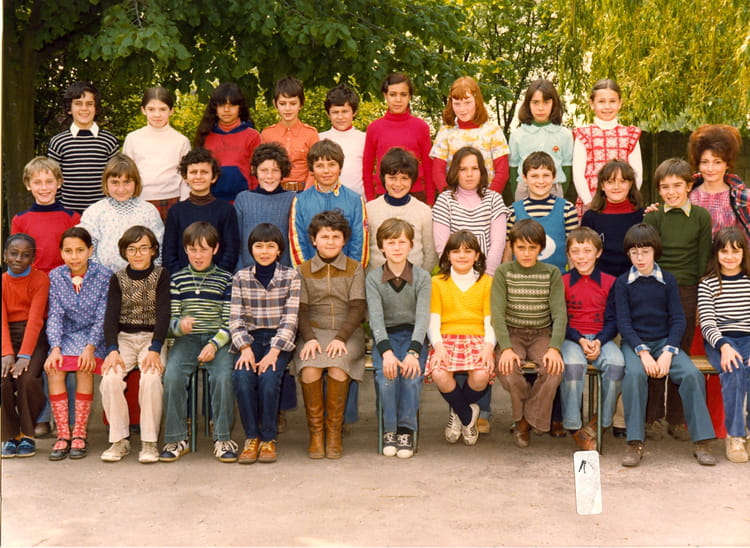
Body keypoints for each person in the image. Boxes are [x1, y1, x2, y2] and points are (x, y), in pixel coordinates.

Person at [615, 223, 716, 467]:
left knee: (691, 375)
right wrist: (643, 353)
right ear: (628, 254)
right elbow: (624, 323)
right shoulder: (622, 283)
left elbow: (678, 319)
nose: (640, 258)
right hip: (635, 344)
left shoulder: (668, 281)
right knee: (634, 376)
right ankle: (634, 442)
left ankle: (702, 441)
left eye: (645, 252)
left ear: (655, 251)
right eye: (634, 252)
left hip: (665, 343)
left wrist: (669, 352)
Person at [644, 158, 712, 442]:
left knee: (678, 353)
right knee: (655, 351)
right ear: (658, 190)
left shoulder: (701, 217)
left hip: (687, 291)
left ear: (688, 186)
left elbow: (703, 259)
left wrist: (696, 297)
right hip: (656, 290)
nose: (671, 192)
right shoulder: (653, 218)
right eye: (665, 187)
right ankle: (652, 417)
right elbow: (647, 259)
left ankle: (677, 418)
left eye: (677, 185)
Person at [160, 222, 238, 463]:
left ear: (215, 249)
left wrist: (214, 344)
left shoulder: (226, 279)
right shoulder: (177, 279)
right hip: (187, 340)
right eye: (193, 249)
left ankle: (222, 438)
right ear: (185, 250)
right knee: (172, 376)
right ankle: (176, 438)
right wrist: (179, 327)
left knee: (223, 377)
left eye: (204, 249)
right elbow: (170, 322)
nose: (198, 255)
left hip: (218, 340)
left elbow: (229, 321)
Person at [293, 211, 366, 459]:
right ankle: (316, 433)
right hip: (313, 332)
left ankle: (334, 432)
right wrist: (310, 338)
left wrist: (340, 338)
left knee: (337, 365)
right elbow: (300, 309)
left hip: (347, 332)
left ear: (344, 240)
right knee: (310, 368)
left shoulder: (354, 268)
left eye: (336, 236)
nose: (331, 241)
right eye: (325, 237)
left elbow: (357, 307)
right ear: (314, 240)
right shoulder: (302, 270)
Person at [230, 223, 301, 464]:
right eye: (259, 246)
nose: (264, 251)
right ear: (251, 249)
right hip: (249, 340)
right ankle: (252, 437)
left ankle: (269, 438)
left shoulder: (291, 276)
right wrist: (245, 348)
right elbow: (236, 318)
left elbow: (290, 319)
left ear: (279, 250)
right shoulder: (241, 277)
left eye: (270, 246)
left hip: (278, 341)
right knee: (242, 377)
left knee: (269, 379)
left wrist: (274, 351)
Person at [492, 219, 566, 447]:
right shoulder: (503, 272)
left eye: (532, 247)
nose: (526, 253)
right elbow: (497, 314)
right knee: (508, 370)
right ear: (512, 247)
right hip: (512, 333)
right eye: (521, 247)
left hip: (541, 333)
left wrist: (554, 348)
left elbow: (560, 314)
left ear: (541, 248)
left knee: (554, 370)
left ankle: (526, 419)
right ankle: (523, 419)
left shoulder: (551, 273)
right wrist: (506, 348)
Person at [99, 226, 169, 464]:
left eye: (143, 248)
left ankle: (149, 442)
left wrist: (155, 348)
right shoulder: (117, 278)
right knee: (110, 378)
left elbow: (164, 314)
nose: (138, 254)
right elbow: (110, 317)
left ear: (153, 250)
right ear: (124, 252)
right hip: (124, 339)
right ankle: (119, 440)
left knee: (151, 378)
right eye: (132, 249)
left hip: (152, 338)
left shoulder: (161, 275)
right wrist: (112, 350)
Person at [366, 219, 431, 458]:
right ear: (381, 246)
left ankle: (406, 429)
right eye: (391, 242)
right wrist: (387, 353)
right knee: (387, 377)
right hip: (386, 338)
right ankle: (389, 429)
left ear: (411, 245)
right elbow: (375, 319)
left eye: (402, 242)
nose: (396, 247)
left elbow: (423, 318)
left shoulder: (422, 277)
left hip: (414, 336)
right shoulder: (373, 278)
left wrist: (414, 352)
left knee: (411, 377)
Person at [45, 227, 111, 460]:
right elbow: (55, 315)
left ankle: (80, 432)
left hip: (95, 337)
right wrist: (55, 348)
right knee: (54, 368)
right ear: (61, 253)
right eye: (68, 251)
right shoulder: (56, 276)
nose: (74, 257)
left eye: (80, 250)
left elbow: (103, 316)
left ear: (90, 251)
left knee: (84, 367)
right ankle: (63, 433)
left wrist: (90, 348)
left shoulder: (104, 275)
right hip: (66, 335)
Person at [427, 230, 494, 446]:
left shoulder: (486, 282)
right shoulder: (437, 282)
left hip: (478, 336)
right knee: (439, 372)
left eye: (468, 251)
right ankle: (467, 415)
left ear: (477, 255)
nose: (462, 256)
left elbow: (490, 320)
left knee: (482, 374)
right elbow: (433, 320)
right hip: (446, 337)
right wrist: (438, 347)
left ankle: (457, 412)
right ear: (448, 255)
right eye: (456, 251)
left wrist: (488, 347)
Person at [560, 227, 624, 450]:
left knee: (616, 365)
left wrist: (599, 341)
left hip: (601, 338)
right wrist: (579, 339)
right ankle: (574, 427)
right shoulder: (562, 281)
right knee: (573, 367)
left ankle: (601, 422)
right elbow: (560, 319)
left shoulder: (610, 282)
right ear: (568, 254)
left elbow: (614, 320)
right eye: (575, 251)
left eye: (587, 251)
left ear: (598, 253)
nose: (581, 257)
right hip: (572, 338)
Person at [697, 226, 750, 463]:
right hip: (719, 340)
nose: (729, 256)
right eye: (724, 251)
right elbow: (707, 323)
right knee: (734, 369)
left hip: (748, 338)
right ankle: (735, 435)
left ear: (744, 253)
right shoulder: (708, 283)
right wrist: (724, 346)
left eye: (735, 251)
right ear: (716, 253)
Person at [1, 235, 49, 458]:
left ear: (33, 258)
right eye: (14, 253)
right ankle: (10, 435)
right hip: (6, 335)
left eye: (25, 255)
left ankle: (27, 434)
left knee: (27, 379)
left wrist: (25, 355)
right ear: (5, 255)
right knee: (3, 378)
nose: (18, 259)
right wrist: (7, 352)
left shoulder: (40, 280)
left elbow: (36, 320)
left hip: (34, 337)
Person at [78, 153, 164, 273]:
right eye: (115, 182)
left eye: (127, 182)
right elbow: (87, 249)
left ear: (136, 182)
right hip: (103, 278)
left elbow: (158, 249)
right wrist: (102, 276)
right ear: (106, 183)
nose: (121, 189)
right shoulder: (95, 211)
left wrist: (148, 275)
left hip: (142, 277)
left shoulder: (148, 211)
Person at [289, 139, 369, 267]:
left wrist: (353, 272)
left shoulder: (355, 200)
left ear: (340, 168)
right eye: (320, 166)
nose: (326, 171)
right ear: (312, 169)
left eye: (332, 165)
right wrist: (306, 272)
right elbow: (297, 241)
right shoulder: (301, 201)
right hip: (311, 273)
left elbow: (359, 241)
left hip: (347, 273)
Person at [162, 148, 240, 274]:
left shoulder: (226, 210)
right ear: (185, 177)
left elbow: (231, 251)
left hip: (217, 280)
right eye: (193, 172)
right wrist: (181, 278)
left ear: (214, 177)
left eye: (204, 172)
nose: (198, 177)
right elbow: (169, 253)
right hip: (182, 280)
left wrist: (216, 278)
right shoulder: (176, 211)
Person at [433, 146, 509, 274]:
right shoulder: (444, 200)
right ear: (455, 172)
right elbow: (442, 246)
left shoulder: (494, 199)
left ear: (481, 171)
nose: (469, 174)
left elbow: (498, 243)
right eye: (463, 169)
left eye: (474, 168)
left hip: (487, 275)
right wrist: (458, 276)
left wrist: (487, 275)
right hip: (454, 275)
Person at [573, 79, 642, 216]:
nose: (607, 106)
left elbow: (636, 173)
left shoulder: (630, 134)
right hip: (591, 203)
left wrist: (627, 199)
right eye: (601, 101)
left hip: (622, 203)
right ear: (592, 104)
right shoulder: (583, 134)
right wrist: (589, 202)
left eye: (612, 101)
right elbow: (578, 174)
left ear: (620, 103)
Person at [47, 81, 119, 213]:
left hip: (103, 213)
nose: (84, 108)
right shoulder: (58, 142)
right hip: (69, 213)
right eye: (78, 103)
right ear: (69, 109)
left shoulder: (109, 141)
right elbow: (53, 178)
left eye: (89, 104)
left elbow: (116, 177)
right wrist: (61, 209)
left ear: (96, 108)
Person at [430, 76, 510, 195]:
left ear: (477, 101)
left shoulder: (493, 130)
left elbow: (502, 172)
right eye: (457, 104)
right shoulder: (445, 132)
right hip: (454, 199)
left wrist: (489, 199)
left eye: (467, 103)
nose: (462, 109)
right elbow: (438, 172)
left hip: (487, 198)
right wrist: (449, 198)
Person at [363, 73, 433, 204]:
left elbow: (429, 168)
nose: (398, 99)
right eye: (393, 94)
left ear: (410, 96)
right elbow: (367, 169)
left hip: (415, 195)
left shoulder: (421, 127)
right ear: (385, 96)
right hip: (383, 195)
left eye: (403, 94)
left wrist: (430, 201)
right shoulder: (374, 128)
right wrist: (371, 200)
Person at [123, 86, 191, 220]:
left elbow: (186, 177)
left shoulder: (181, 141)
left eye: (163, 109)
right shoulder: (133, 139)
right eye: (151, 109)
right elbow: (126, 173)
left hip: (173, 201)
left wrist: (184, 206)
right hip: (140, 201)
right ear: (143, 110)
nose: (157, 115)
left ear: (171, 111)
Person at [503, 151, 578, 273]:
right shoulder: (513, 212)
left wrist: (574, 280)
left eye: (546, 175)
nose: (541, 181)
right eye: (534, 176)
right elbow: (508, 251)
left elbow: (573, 250)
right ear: (524, 178)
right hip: (522, 280)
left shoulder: (567, 209)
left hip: (557, 280)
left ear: (554, 177)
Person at [366, 147, 437, 273]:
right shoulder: (369, 210)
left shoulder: (423, 211)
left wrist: (420, 279)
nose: (398, 184)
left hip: (414, 281)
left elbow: (430, 253)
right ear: (383, 178)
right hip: (376, 282)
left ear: (412, 179)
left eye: (404, 178)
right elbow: (364, 251)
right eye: (392, 178)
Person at [11, 156, 81, 274]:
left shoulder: (73, 218)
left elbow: (78, 256)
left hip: (65, 278)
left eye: (49, 182)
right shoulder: (19, 220)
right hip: (32, 278)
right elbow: (17, 257)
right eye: (37, 182)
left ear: (58, 183)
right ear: (28, 185)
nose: (44, 188)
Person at [194, 82, 260, 202]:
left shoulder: (252, 136)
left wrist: (255, 197)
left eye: (232, 105)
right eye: (222, 105)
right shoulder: (205, 135)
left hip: (244, 200)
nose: (226, 110)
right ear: (215, 108)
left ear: (240, 108)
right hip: (212, 201)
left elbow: (258, 171)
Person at [509, 79, 573, 201]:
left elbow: (566, 167)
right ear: (528, 104)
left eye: (546, 102)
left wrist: (560, 193)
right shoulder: (517, 135)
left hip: (554, 189)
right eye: (535, 102)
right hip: (524, 190)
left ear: (554, 103)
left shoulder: (565, 135)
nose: (540, 108)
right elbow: (513, 168)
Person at [234, 143, 295, 270]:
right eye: (263, 170)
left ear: (282, 172)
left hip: (284, 273)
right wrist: (240, 272)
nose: (269, 176)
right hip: (248, 272)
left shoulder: (293, 199)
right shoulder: (243, 199)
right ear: (255, 170)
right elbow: (235, 241)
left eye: (275, 170)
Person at [581, 159, 645, 277]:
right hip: (600, 279)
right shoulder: (590, 217)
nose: (616, 187)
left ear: (630, 184)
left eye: (622, 181)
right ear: (602, 186)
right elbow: (585, 253)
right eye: (610, 182)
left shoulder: (642, 215)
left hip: (634, 278)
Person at [688, 124, 750, 239]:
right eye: (705, 162)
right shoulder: (686, 194)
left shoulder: (742, 197)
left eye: (717, 162)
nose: (710, 168)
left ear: (727, 164)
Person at [260, 76, 319, 192]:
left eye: (293, 103)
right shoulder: (267, 134)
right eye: (282, 103)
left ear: (301, 104)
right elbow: (262, 168)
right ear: (275, 104)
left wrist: (306, 195)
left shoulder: (311, 134)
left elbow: (315, 168)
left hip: (304, 192)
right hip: (275, 192)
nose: (287, 108)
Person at [320, 84, 367, 196]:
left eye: (345, 111)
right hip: (326, 199)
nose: (340, 117)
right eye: (335, 112)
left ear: (354, 112)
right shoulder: (319, 139)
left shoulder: (364, 138)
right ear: (328, 114)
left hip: (358, 200)